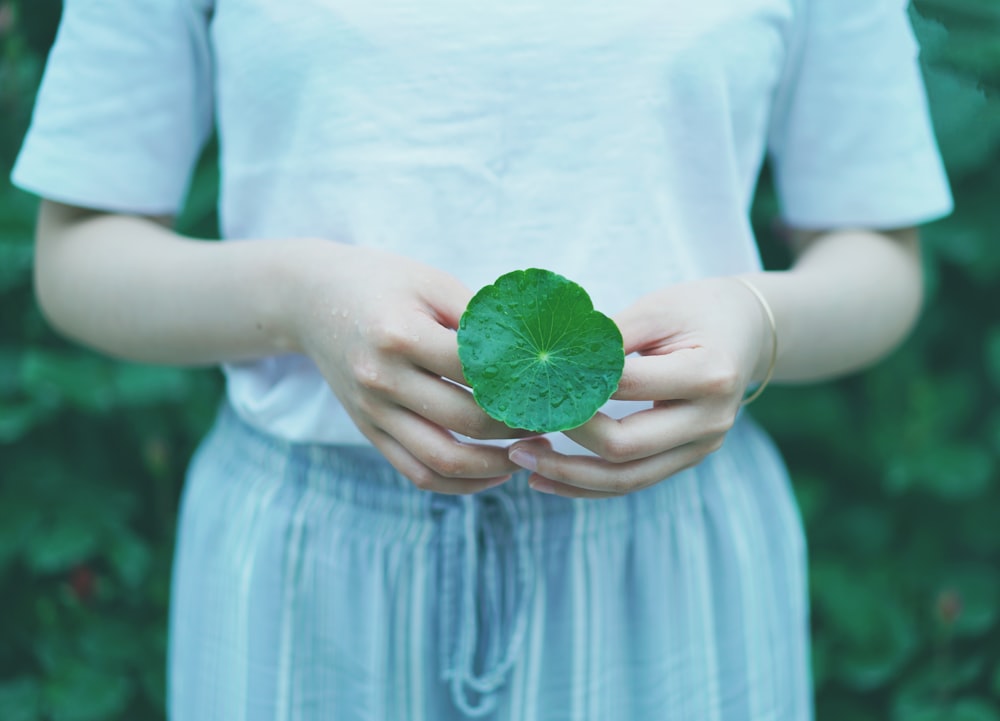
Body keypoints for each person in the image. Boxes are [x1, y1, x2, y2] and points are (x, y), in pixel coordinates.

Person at [13, 0, 951, 718]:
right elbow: (79, 253)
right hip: (309, 561)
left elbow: (878, 259)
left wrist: (757, 320)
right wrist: (298, 297)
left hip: (672, 547)